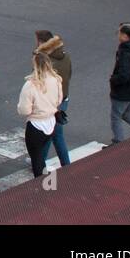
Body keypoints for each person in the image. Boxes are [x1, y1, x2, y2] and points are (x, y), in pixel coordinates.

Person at [17, 51, 64, 178]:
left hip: (36, 126)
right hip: (51, 123)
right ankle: (44, 182)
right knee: (40, 157)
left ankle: (41, 186)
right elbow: (59, 100)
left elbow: (24, 110)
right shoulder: (56, 80)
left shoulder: (30, 85)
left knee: (36, 160)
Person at [36, 30, 73, 168]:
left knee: (55, 135)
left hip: (52, 102)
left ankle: (66, 164)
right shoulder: (66, 56)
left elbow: (40, 83)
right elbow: (69, 75)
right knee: (51, 132)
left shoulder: (46, 61)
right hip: (63, 98)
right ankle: (40, 159)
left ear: (42, 42)